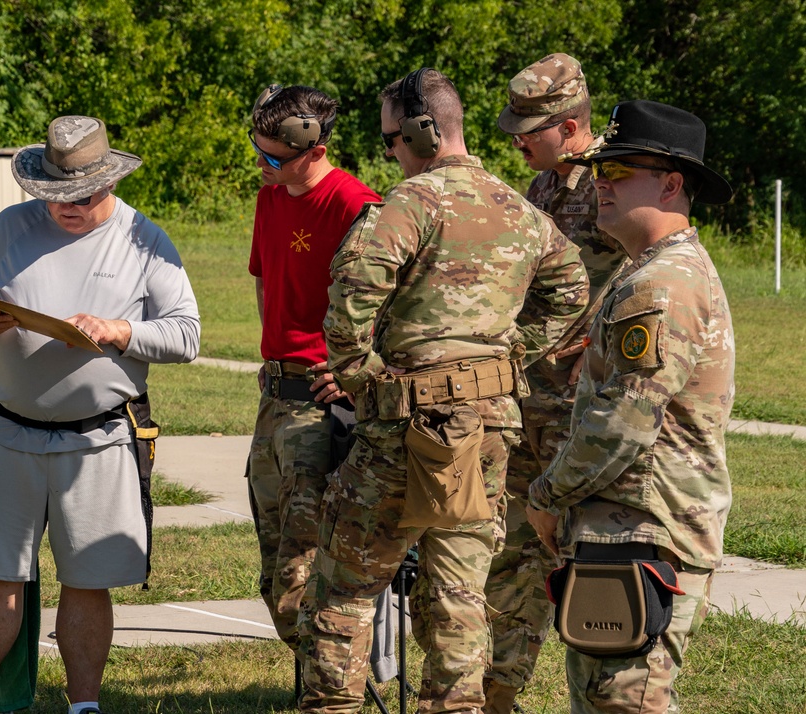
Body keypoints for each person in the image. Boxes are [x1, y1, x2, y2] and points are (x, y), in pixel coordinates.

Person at [297, 68, 589, 714]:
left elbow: (349, 298)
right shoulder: (520, 209)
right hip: (485, 431)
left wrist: (365, 380)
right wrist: (511, 353)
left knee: (344, 591)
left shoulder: (410, 206)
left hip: (404, 429)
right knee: (461, 596)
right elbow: (571, 288)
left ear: (424, 132)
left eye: (391, 140)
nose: (390, 154)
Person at [0, 115, 200, 714]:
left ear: (109, 181)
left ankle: (84, 705)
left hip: (100, 439)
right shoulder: (9, 227)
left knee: (88, 579)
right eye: (57, 195)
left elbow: (186, 335)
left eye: (84, 196)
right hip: (6, 430)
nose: (70, 207)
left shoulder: (145, 240)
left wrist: (119, 331)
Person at [525, 99, 735, 713]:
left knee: (625, 701)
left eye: (618, 172)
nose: (599, 184)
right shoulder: (646, 270)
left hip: (641, 526)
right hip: (628, 523)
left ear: (672, 183)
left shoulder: (659, 285)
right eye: (598, 171)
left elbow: (621, 425)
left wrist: (546, 494)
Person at [484, 53, 630, 713]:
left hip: (587, 420)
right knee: (513, 559)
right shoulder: (543, 188)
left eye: (529, 125)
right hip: (532, 408)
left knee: (590, 570)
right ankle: (498, 692)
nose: (516, 136)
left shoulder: (621, 185)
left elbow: (655, 288)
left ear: (571, 125)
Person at [245, 83, 383, 658]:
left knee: (302, 571)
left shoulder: (358, 205)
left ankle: (333, 682)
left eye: (274, 156)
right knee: (274, 559)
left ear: (316, 149)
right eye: (256, 150)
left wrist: (351, 370)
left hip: (320, 408)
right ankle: (323, 675)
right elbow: (263, 279)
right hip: (275, 395)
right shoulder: (270, 197)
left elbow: (390, 301)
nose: (262, 164)